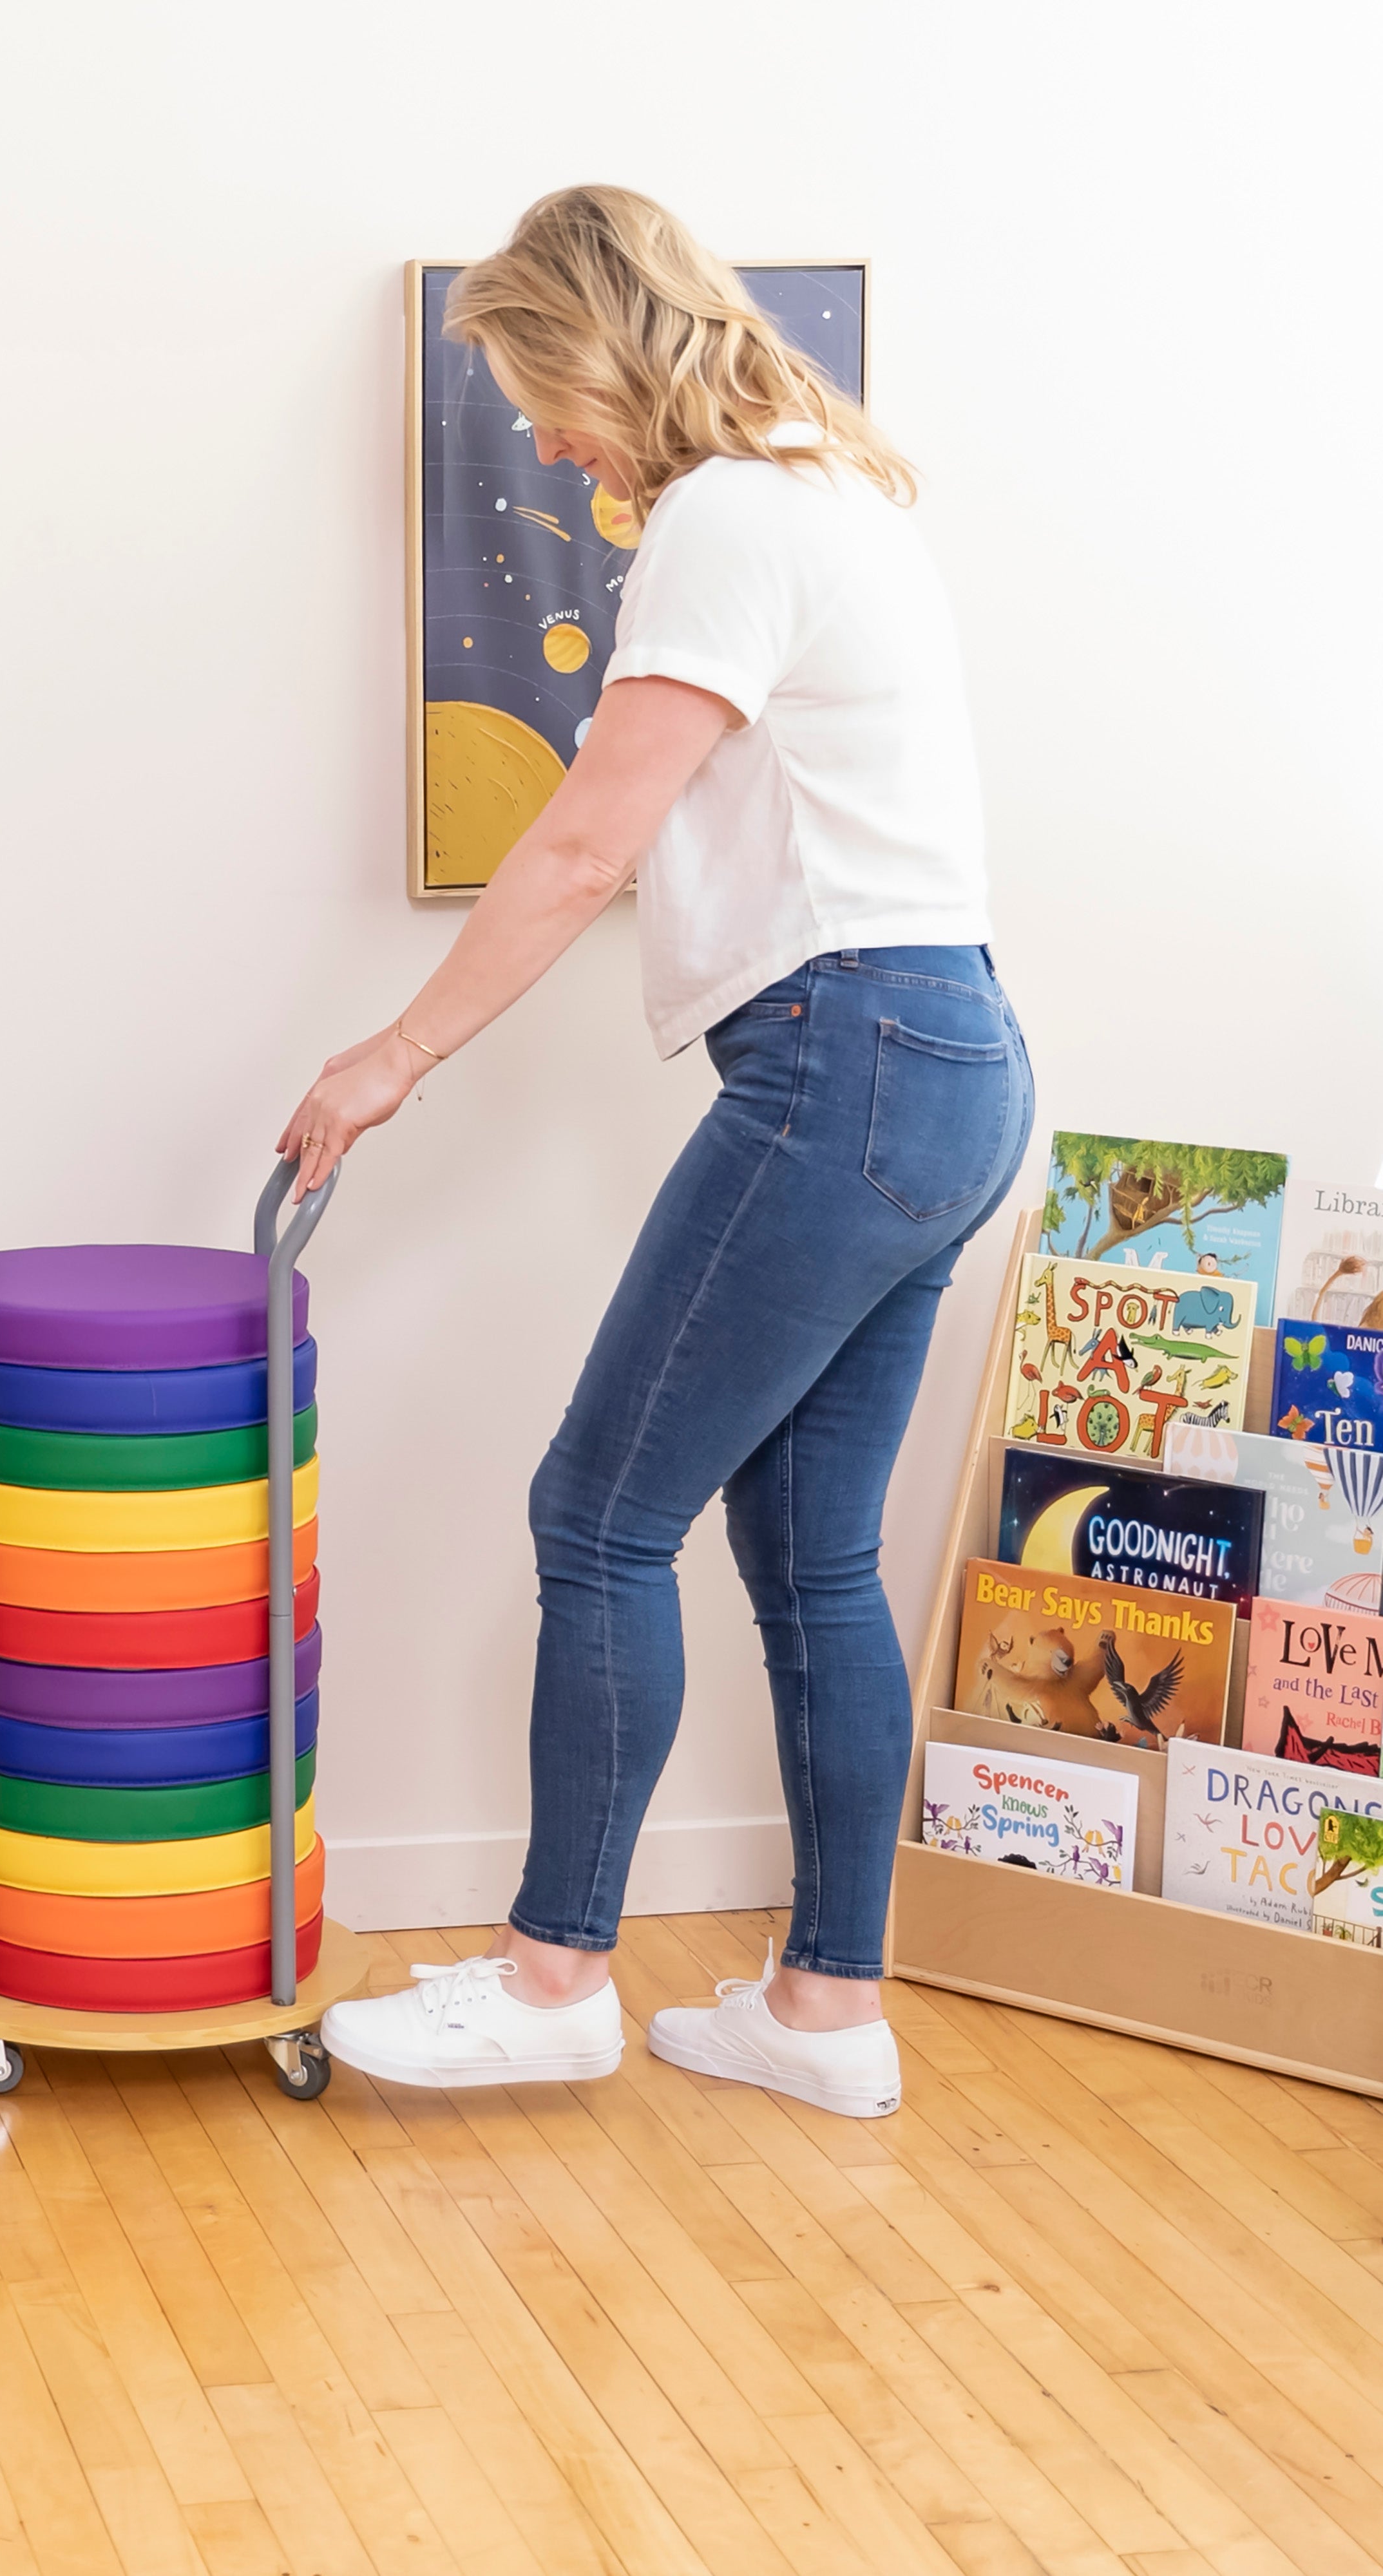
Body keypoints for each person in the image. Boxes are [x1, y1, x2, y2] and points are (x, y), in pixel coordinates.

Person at [307, 186, 1033, 2117]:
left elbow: (581, 842)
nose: (544, 441)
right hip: (954, 1058)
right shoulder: (835, 494)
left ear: (606, 341)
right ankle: (827, 2014)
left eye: (544, 392)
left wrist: (399, 1053)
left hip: (848, 1065)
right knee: (810, 1558)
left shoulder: (723, 516)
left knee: (596, 1518)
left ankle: (553, 1977)